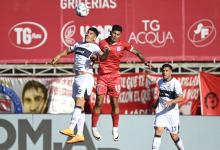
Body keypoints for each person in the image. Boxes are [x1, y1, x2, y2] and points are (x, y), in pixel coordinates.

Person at [91, 25, 152, 141]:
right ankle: (94, 127)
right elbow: (99, 56)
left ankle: (115, 128)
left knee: (115, 104)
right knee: (99, 102)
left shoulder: (124, 44)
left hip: (115, 77)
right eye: (114, 33)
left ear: (120, 35)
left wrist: (145, 61)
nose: (115, 36)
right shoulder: (103, 43)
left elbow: (137, 52)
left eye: (118, 34)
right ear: (110, 33)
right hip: (102, 77)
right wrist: (97, 57)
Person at [51, 27, 109, 144]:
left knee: (79, 103)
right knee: (80, 106)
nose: (88, 34)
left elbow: (102, 57)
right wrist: (58, 56)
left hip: (86, 77)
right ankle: (80, 134)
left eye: (91, 33)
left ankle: (71, 128)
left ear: (94, 38)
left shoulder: (94, 47)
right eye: (87, 32)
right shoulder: (78, 44)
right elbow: (68, 51)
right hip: (77, 77)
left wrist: (102, 55)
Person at [152, 64, 184, 150]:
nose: (164, 72)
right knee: (158, 130)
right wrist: (156, 103)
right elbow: (161, 95)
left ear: (171, 72)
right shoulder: (160, 82)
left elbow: (181, 97)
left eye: (167, 71)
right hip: (161, 112)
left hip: (172, 113)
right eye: (163, 71)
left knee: (174, 136)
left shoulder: (175, 83)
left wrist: (172, 101)